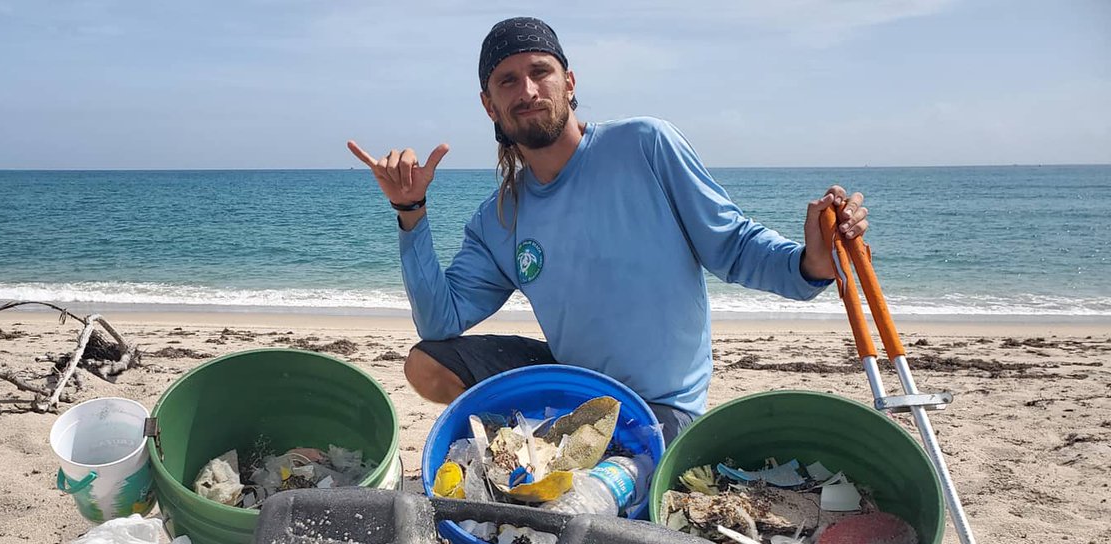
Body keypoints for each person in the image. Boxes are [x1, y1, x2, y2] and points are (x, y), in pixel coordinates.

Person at [348, 16, 869, 442]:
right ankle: (538, 437)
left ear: (569, 83)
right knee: (426, 364)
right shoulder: (498, 218)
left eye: (540, 71)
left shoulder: (646, 146)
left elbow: (730, 244)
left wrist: (809, 264)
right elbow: (441, 322)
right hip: (574, 383)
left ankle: (547, 442)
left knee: (590, 503)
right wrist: (411, 211)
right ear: (490, 104)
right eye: (507, 80)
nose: (527, 90)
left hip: (661, 404)